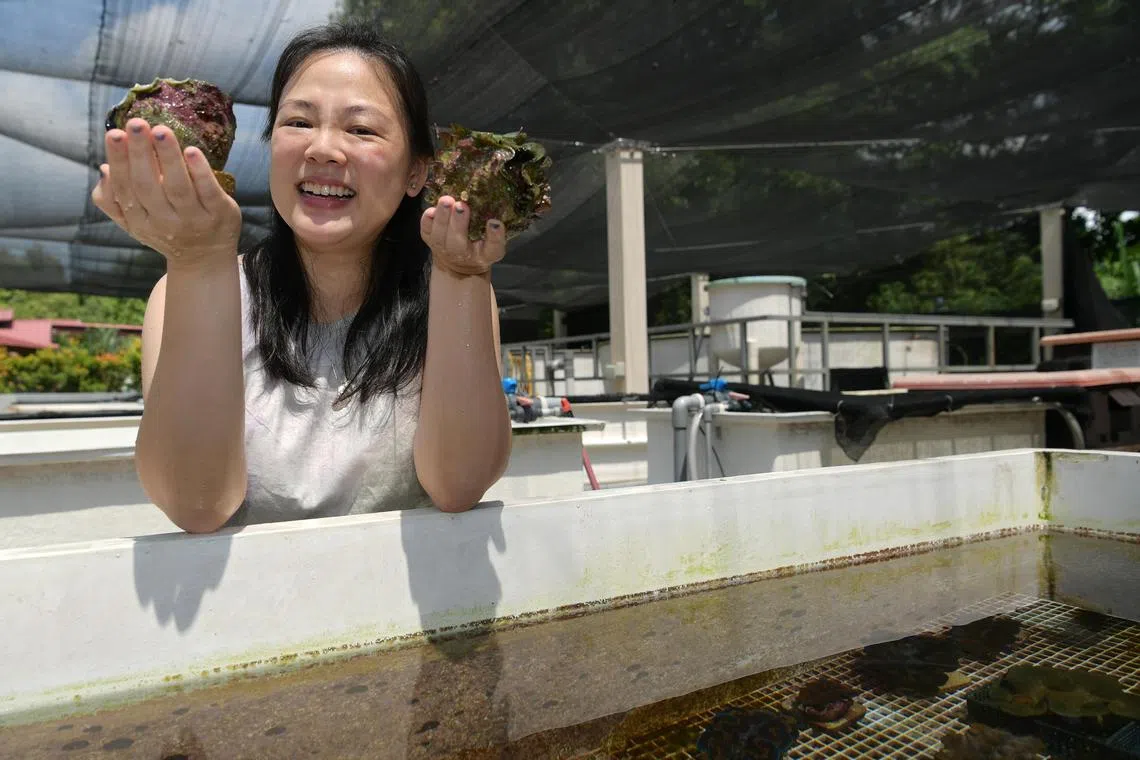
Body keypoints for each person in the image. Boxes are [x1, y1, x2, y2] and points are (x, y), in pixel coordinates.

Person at [91, 22, 513, 532]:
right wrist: (198, 264)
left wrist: (463, 277)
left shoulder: (451, 292)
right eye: (297, 122)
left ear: (416, 173)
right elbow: (195, 504)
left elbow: (459, 485)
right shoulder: (185, 290)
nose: (322, 149)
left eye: (361, 130)